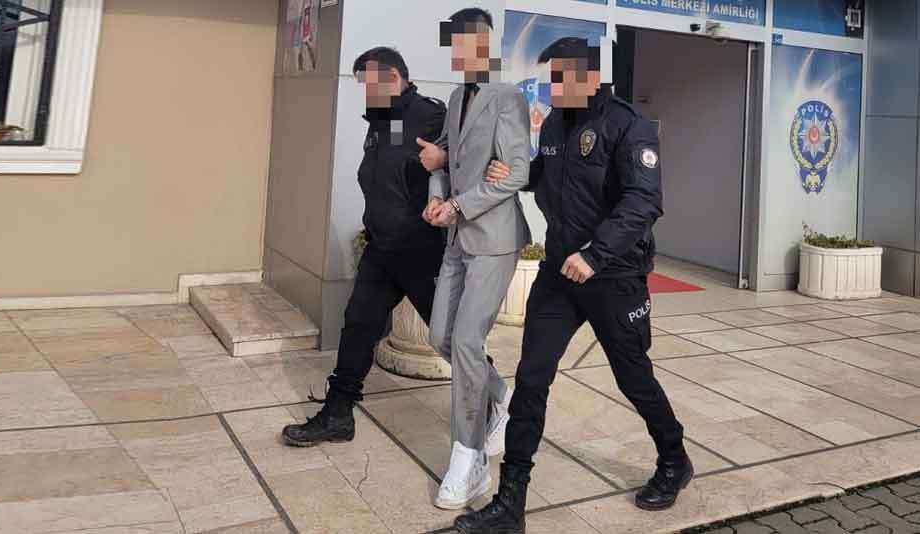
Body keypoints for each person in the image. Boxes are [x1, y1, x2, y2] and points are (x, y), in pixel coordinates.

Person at [454, 38, 692, 534]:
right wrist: (516, 173)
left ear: (591, 77)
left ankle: (674, 459)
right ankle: (510, 502)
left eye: (562, 78)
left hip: (614, 275)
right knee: (532, 379)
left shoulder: (628, 126)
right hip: (560, 274)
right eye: (551, 78)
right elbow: (546, 175)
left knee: (633, 378)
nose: (553, 87)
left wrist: (596, 254)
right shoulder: (555, 123)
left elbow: (643, 201)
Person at [281, 47, 446, 447]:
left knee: (451, 334)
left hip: (420, 251)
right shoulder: (382, 121)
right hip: (381, 249)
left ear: (393, 77)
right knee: (358, 324)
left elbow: (468, 163)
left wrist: (445, 161)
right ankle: (338, 414)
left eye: (369, 84)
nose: (365, 93)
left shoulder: (430, 116)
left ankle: (494, 403)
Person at [415, 7, 532, 510]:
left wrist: (459, 205)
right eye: (458, 43)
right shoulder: (456, 97)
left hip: (494, 239)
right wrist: (436, 196)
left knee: (466, 339)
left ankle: (469, 457)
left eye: (474, 42)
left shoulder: (507, 97)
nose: (465, 52)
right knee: (440, 336)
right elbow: (443, 159)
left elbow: (517, 172)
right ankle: (501, 397)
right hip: (457, 239)